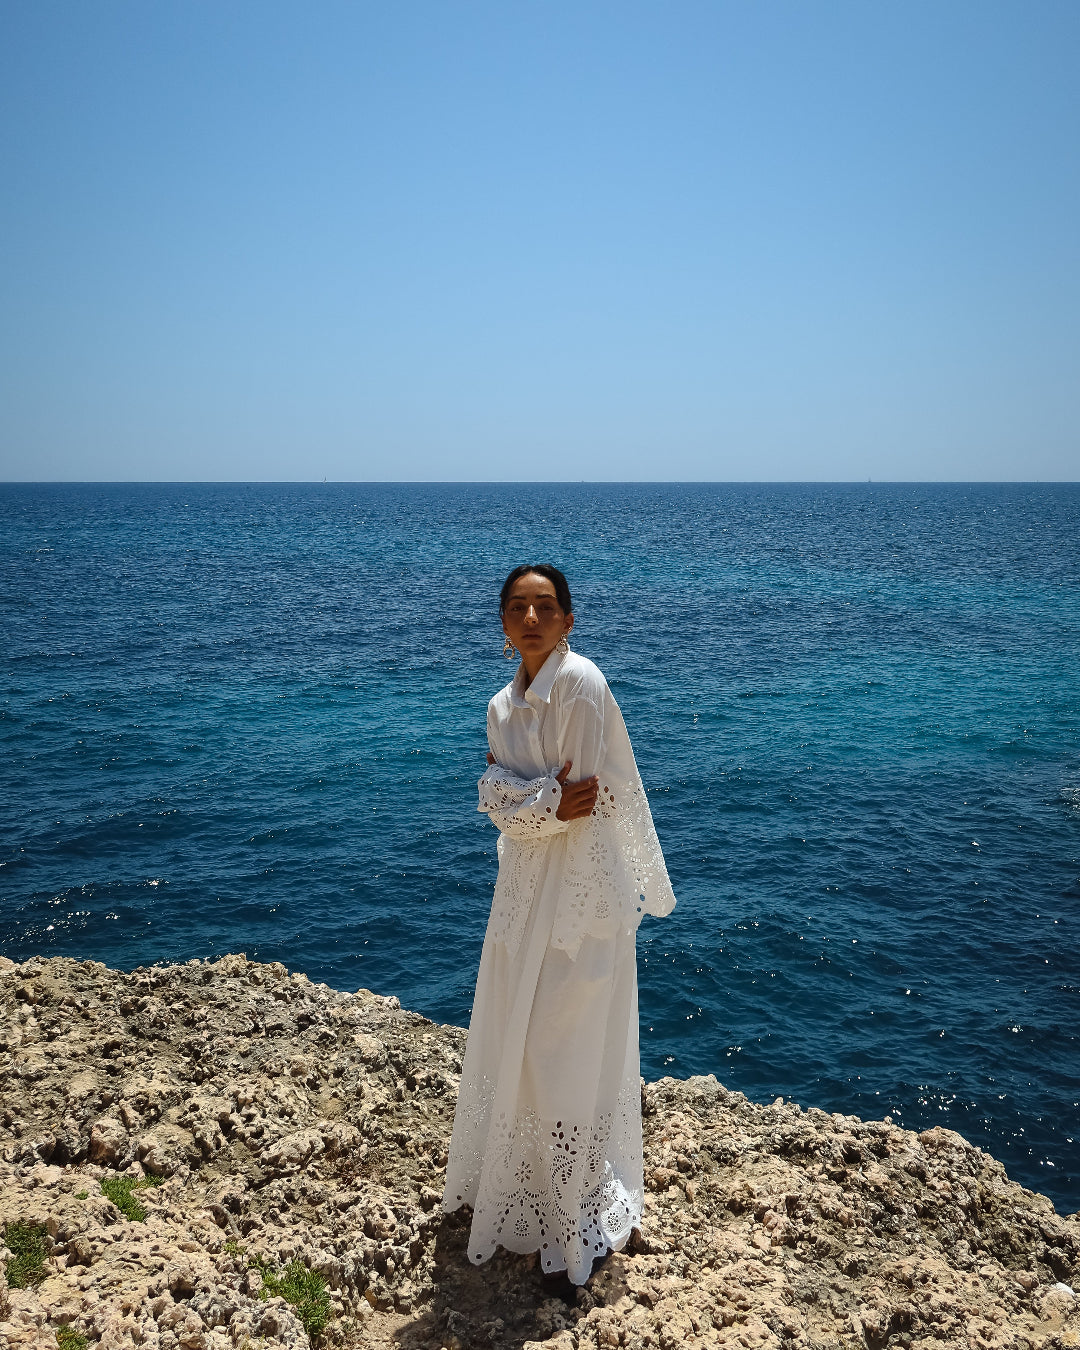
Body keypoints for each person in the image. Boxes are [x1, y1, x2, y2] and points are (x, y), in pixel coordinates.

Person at [442, 564, 676, 1287]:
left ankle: (570, 1214)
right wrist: (524, 799)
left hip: (579, 902)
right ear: (504, 622)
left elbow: (566, 801)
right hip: (521, 895)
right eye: (519, 607)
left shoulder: (581, 684)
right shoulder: (498, 707)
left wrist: (515, 796)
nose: (533, 618)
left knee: (562, 1050)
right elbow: (517, 800)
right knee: (520, 1035)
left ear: (570, 620)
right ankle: (527, 1194)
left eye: (547, 606)